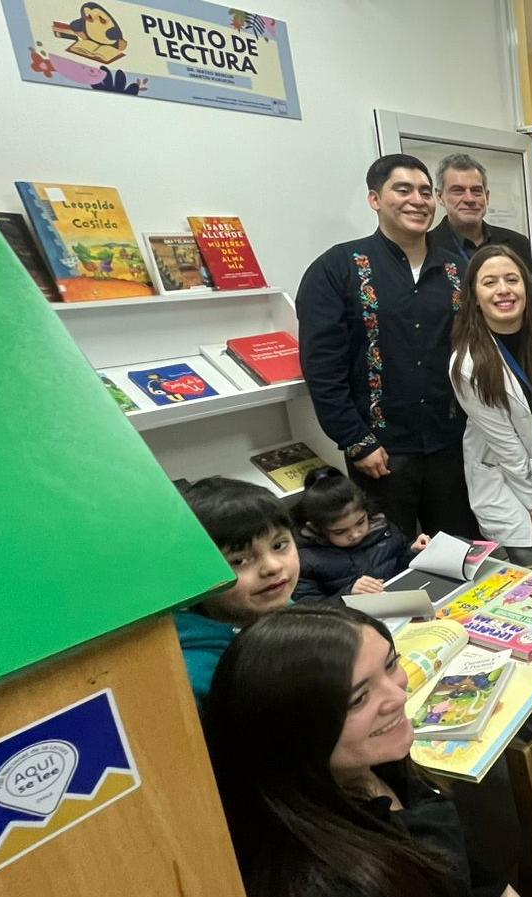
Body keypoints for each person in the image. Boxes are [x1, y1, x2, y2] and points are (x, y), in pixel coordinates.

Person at [203, 604, 515, 897]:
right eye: (358, 699)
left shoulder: (378, 763)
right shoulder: (331, 882)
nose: (398, 696)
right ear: (291, 735)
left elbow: (469, 871)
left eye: (391, 664)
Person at [296, 154, 477, 540]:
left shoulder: (458, 271)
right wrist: (355, 441)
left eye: (426, 192)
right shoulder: (337, 268)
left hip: (453, 446)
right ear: (375, 199)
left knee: (459, 548)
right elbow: (322, 367)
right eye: (403, 189)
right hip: (381, 454)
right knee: (386, 559)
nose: (418, 200)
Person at [451, 245, 532, 566]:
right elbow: (504, 441)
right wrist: (531, 499)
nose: (503, 290)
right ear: (474, 294)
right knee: (529, 557)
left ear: (526, 285)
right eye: (490, 282)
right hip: (502, 470)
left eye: (512, 279)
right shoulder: (468, 362)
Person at [174, 477, 300, 702]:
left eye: (279, 545)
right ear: (195, 575)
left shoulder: (287, 612)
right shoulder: (195, 678)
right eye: (239, 561)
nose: (272, 567)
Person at [291, 467, 430, 603]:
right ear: (317, 528)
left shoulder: (383, 529)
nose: (355, 534)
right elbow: (307, 608)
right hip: (349, 620)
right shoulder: (306, 559)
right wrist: (347, 594)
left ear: (366, 511)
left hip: (398, 603)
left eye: (360, 522)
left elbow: (398, 564)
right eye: (340, 531)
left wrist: (413, 551)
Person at [429, 153, 532, 271]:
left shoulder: (518, 244)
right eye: (458, 191)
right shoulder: (426, 248)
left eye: (476, 191)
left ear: (487, 196)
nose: (469, 199)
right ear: (439, 196)